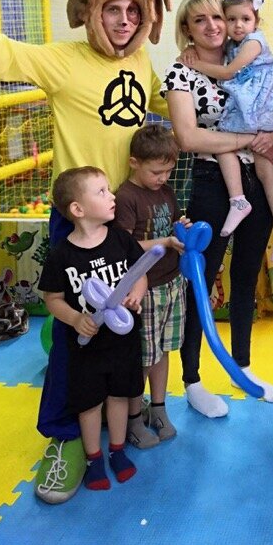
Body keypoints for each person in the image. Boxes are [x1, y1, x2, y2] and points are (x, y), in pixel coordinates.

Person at [0, 0, 170, 503]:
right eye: (113, 9)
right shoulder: (65, 60)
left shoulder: (142, 61)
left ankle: (116, 420)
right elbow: (11, 53)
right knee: (75, 336)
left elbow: (162, 97)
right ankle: (65, 437)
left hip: (124, 216)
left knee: (122, 328)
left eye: (135, 11)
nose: (124, 20)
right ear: (90, 10)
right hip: (79, 222)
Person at [163, 0, 273, 416]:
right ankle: (192, 380)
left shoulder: (246, 57)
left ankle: (242, 366)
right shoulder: (181, 72)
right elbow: (188, 137)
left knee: (246, 277)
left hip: (257, 180)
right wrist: (248, 138)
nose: (213, 26)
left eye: (217, 16)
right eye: (200, 20)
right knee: (202, 279)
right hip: (213, 184)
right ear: (187, 29)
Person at [39, 167, 148, 491]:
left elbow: (139, 272)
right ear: (77, 209)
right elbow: (52, 299)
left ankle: (117, 450)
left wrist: (136, 294)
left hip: (123, 344)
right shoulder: (61, 255)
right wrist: (75, 319)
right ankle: (93, 458)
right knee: (89, 405)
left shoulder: (120, 239)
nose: (112, 196)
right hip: (86, 349)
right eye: (101, 192)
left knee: (118, 397)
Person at [178, 0, 273, 260]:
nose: (237, 25)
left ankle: (248, 205)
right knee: (262, 169)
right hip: (240, 137)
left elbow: (228, 72)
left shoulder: (252, 43)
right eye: (231, 19)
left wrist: (195, 64)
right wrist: (190, 52)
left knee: (228, 136)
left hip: (263, 108)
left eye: (244, 19)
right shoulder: (231, 46)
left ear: (256, 21)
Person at [114, 123, 189, 448]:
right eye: (156, 172)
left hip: (172, 283)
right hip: (145, 290)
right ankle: (133, 419)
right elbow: (124, 246)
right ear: (134, 162)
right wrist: (167, 241)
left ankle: (158, 408)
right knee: (143, 358)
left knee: (163, 350)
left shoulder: (166, 192)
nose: (163, 178)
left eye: (168, 172)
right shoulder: (126, 197)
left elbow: (171, 225)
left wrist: (181, 228)